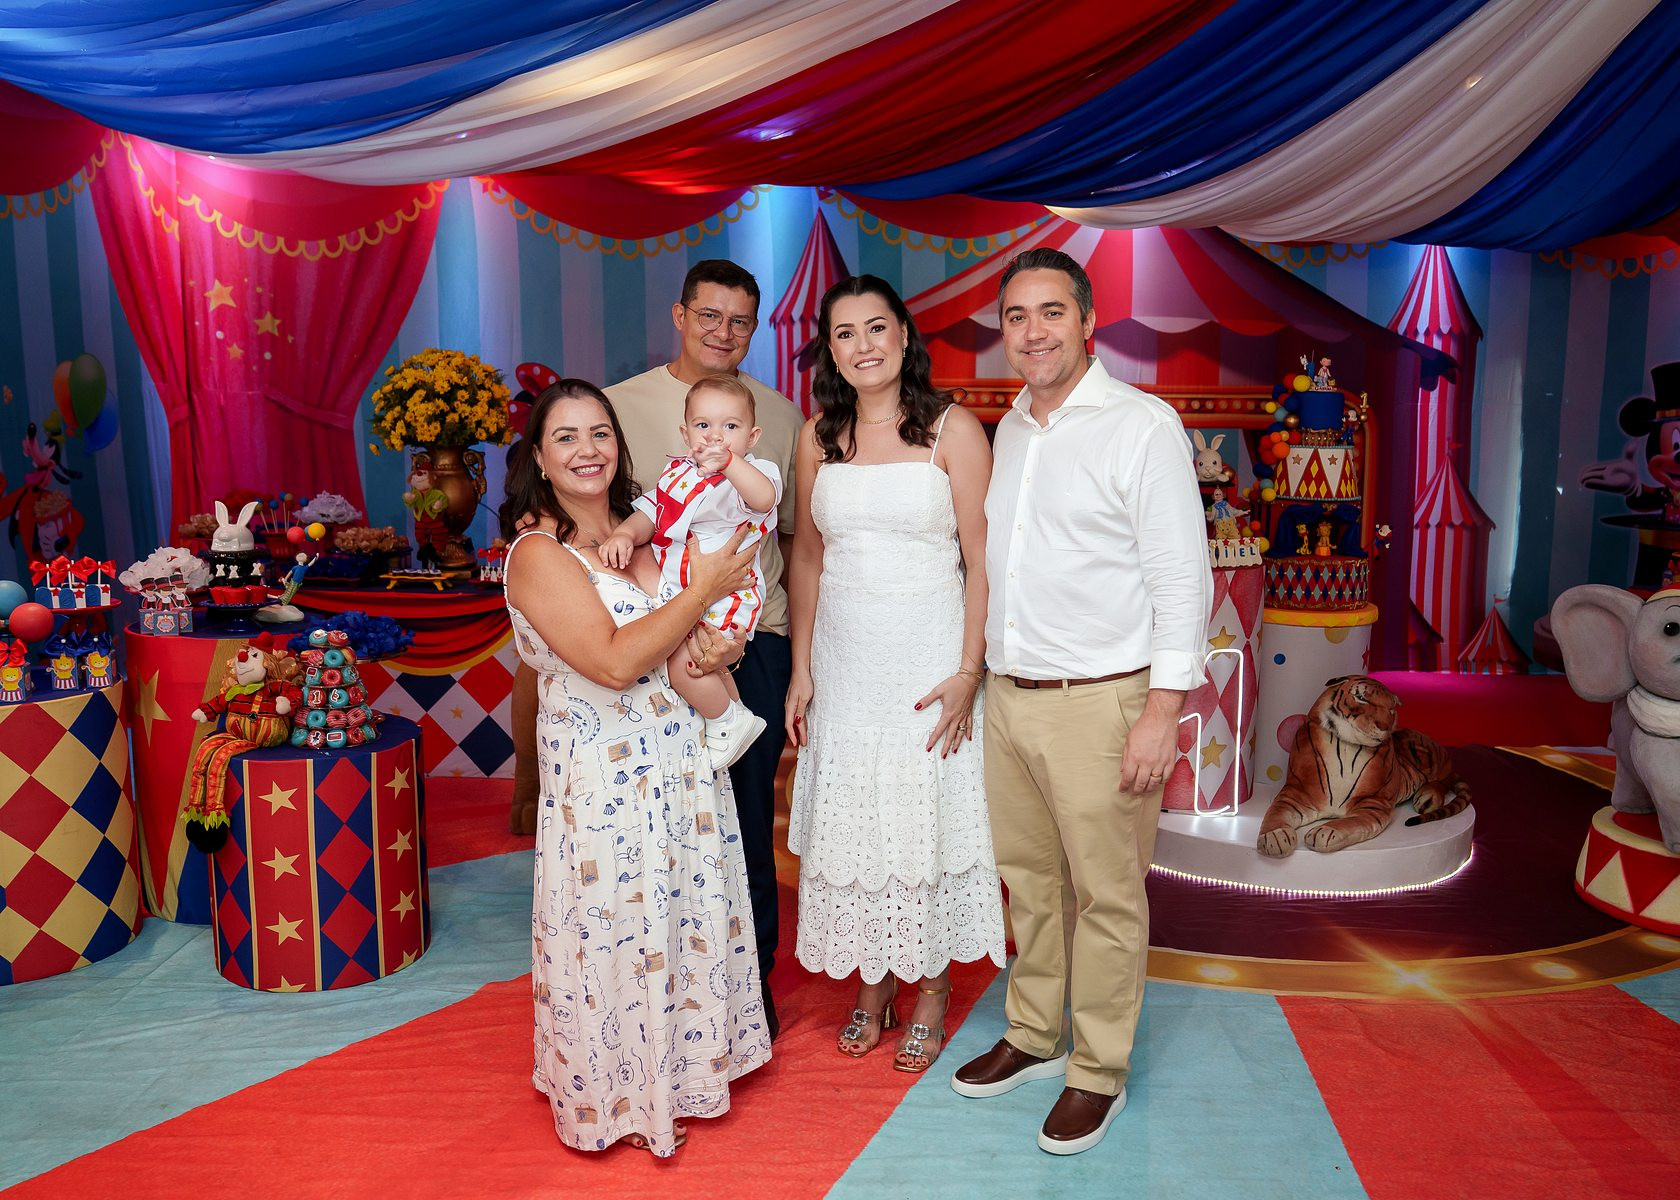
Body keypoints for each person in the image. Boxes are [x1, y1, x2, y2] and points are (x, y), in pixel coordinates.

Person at [951, 248, 1212, 1155]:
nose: (1033, 332)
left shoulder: (1142, 426)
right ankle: (1033, 1033)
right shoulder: (1012, 428)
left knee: (1106, 894)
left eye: (1051, 312)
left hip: (1103, 702)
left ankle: (1097, 1070)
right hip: (1011, 696)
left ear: (1088, 321)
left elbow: (1182, 579)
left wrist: (1160, 712)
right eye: (1016, 316)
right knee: (1031, 883)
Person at [500, 379, 771, 1158]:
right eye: (565, 437)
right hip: (605, 787)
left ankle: (683, 1073)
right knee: (614, 931)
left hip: (682, 766)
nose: (587, 450)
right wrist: (707, 588)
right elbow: (616, 661)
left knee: (679, 918)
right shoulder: (538, 555)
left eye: (600, 433)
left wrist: (724, 645)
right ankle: (617, 1093)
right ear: (540, 459)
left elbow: (687, 640)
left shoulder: (648, 533)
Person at [783, 275, 1005, 1073]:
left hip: (928, 657)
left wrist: (969, 670)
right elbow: (807, 557)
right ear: (831, 351)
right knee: (863, 821)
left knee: (922, 821)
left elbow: (982, 561)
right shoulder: (817, 436)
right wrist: (801, 667)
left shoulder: (953, 429)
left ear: (904, 335)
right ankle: (873, 983)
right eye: (845, 333)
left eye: (877, 327)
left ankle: (933, 989)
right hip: (845, 661)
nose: (863, 345)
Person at [605, 258, 803, 1038]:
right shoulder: (620, 406)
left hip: (753, 636)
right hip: (658, 633)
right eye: (710, 315)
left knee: (747, 819)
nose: (725, 331)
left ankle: (752, 985)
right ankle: (664, 980)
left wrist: (781, 650)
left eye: (741, 320)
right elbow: (621, 516)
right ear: (681, 316)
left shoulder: (777, 416)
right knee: (663, 813)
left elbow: (794, 541)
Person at [600, 373, 780, 771]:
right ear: (686, 433)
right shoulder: (678, 473)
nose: (715, 437)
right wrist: (624, 533)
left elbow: (763, 498)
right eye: (703, 425)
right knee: (702, 663)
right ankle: (734, 715)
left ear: (752, 437)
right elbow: (652, 511)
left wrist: (730, 462)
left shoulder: (750, 474)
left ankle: (726, 722)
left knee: (684, 662)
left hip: (726, 594)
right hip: (682, 591)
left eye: (730, 427)